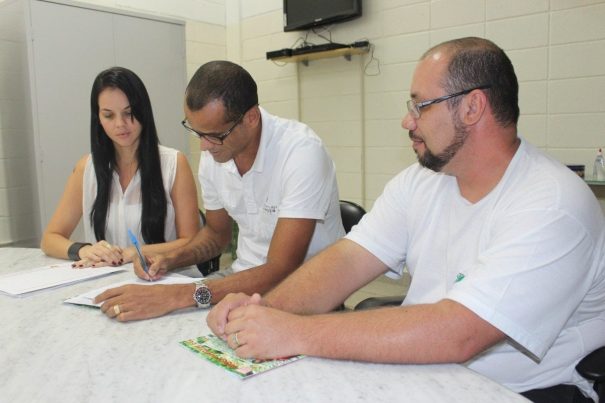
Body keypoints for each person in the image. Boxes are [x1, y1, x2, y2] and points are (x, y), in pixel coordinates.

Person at [207, 38, 605, 403]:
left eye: (420, 105)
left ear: (472, 107)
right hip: (427, 370)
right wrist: (262, 312)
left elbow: (459, 333)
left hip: (522, 389)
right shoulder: (422, 181)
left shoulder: (552, 204)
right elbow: (347, 261)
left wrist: (292, 332)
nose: (407, 121)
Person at [93, 61, 344, 322]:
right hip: (241, 277)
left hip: (305, 288)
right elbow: (216, 235)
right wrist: (169, 259)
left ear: (251, 118)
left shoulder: (301, 153)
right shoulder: (216, 151)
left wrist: (181, 295)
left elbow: (282, 268)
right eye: (196, 132)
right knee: (156, 325)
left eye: (214, 135)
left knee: (183, 310)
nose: (203, 146)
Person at [41, 67, 200, 268]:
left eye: (129, 113)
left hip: (162, 280)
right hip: (102, 281)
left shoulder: (174, 164)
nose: (120, 124)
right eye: (108, 115)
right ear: (98, 118)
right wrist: (85, 249)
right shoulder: (86, 168)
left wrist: (133, 253)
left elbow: (191, 242)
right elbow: (50, 238)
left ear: (143, 111)